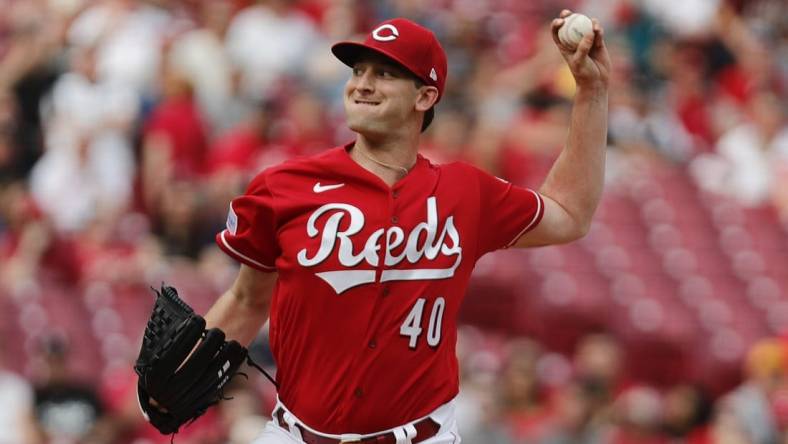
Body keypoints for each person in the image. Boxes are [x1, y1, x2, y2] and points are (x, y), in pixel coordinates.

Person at [204, 10, 609, 444]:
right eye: (358, 70)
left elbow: (569, 213)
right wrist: (190, 366)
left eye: (384, 73)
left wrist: (591, 90)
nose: (362, 83)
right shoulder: (285, 186)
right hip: (295, 434)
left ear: (424, 97)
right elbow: (247, 301)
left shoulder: (464, 192)